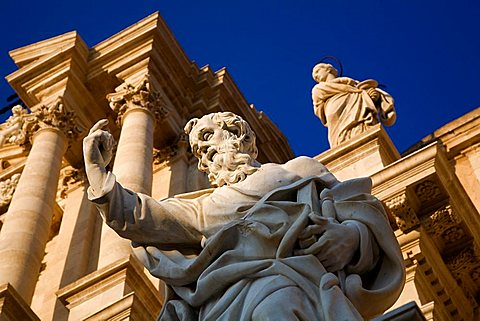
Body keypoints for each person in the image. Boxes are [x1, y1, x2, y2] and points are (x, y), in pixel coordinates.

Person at [83, 112, 404, 321]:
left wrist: (350, 236)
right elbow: (142, 216)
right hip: (222, 304)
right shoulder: (203, 207)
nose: (204, 150)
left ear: (241, 137)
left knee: (276, 306)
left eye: (209, 136)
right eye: (197, 149)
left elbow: (363, 211)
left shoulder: (299, 171)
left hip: (286, 283)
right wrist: (99, 174)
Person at [311, 63, 396, 148]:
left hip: (359, 115)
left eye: (317, 71)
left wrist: (371, 96)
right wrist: (360, 91)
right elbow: (318, 109)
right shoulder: (318, 89)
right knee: (340, 141)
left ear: (328, 69)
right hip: (336, 118)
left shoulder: (355, 84)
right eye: (315, 75)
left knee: (363, 133)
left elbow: (365, 95)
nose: (316, 76)